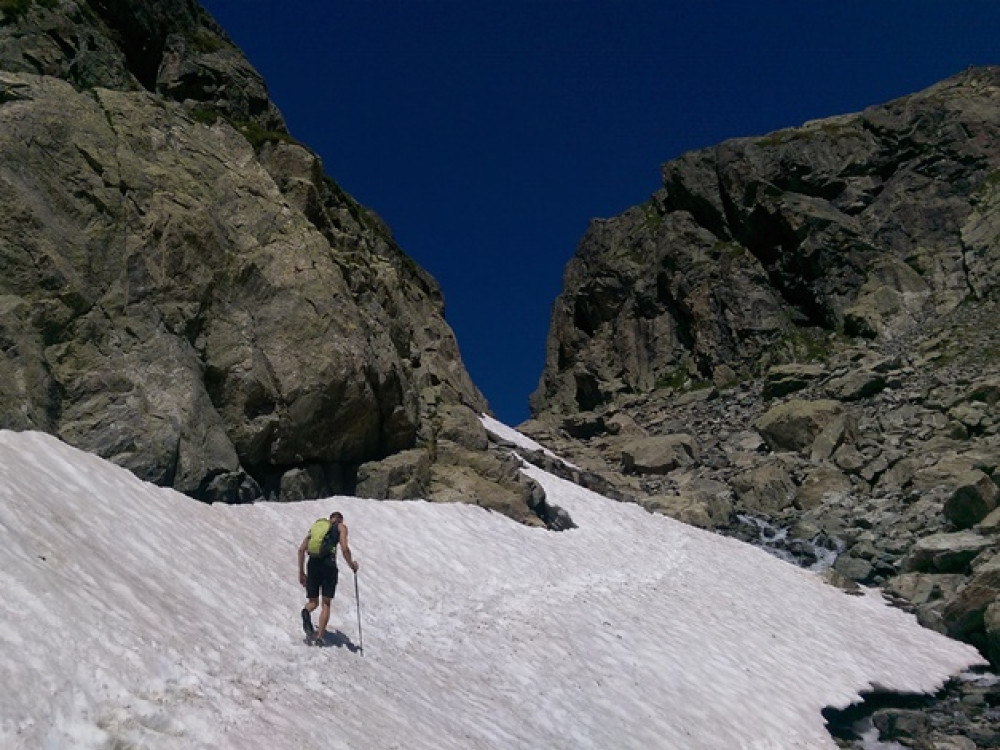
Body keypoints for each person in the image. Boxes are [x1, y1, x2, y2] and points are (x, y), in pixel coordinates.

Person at [297, 511, 359, 646]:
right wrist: (352, 565)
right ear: (340, 520)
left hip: (312, 564)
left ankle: (306, 611)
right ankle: (319, 638)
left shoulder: (317, 526)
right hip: (328, 566)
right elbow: (344, 549)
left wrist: (301, 572)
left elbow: (301, 549)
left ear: (330, 519)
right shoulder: (341, 528)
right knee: (326, 603)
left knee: (313, 601)